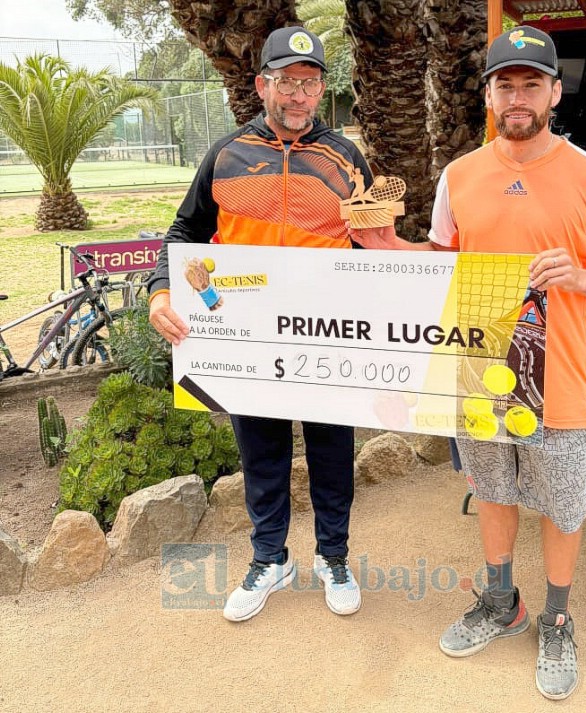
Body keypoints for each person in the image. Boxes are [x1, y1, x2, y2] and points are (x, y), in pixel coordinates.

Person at [350, 25, 586, 700]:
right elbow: (444, 262)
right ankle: (500, 601)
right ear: (487, 93)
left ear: (554, 90)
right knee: (490, 489)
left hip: (561, 381)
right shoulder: (460, 175)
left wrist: (577, 275)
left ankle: (557, 616)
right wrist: (390, 247)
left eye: (530, 83)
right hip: (477, 373)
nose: (517, 97)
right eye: (504, 84)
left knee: (562, 507)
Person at [148, 26, 373, 622]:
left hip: (327, 336)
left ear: (322, 89)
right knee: (262, 451)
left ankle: (333, 557)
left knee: (332, 451)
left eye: (310, 84)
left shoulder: (346, 158)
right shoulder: (226, 154)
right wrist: (161, 291)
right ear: (262, 85)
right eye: (287, 83)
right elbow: (184, 233)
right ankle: (271, 559)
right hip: (247, 339)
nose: (299, 97)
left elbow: (376, 248)